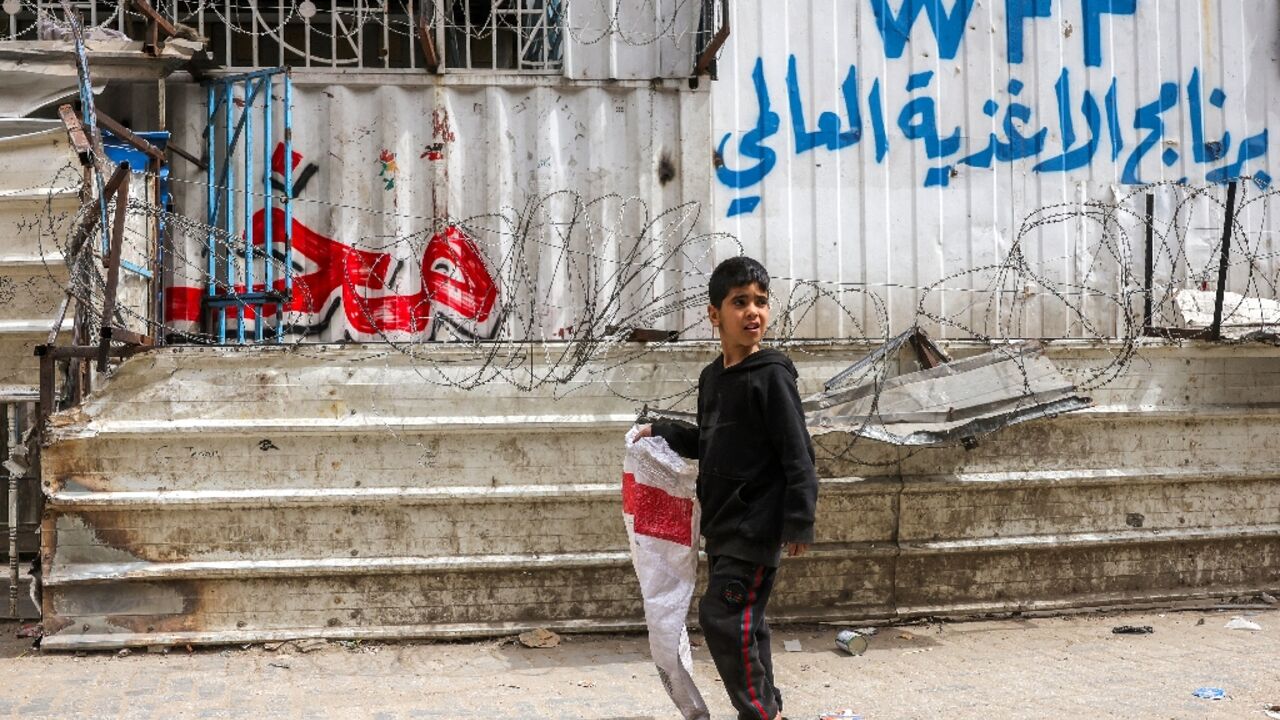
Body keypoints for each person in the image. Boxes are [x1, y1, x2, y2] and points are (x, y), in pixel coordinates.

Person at [637, 255, 818, 720]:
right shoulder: (712, 378)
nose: (753, 312)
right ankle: (766, 708)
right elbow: (710, 440)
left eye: (761, 302)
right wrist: (662, 430)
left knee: (723, 619)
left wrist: (799, 519)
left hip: (756, 524)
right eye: (740, 302)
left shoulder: (773, 375)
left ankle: (759, 712)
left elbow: (798, 452)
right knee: (747, 625)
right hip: (722, 525)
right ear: (714, 314)